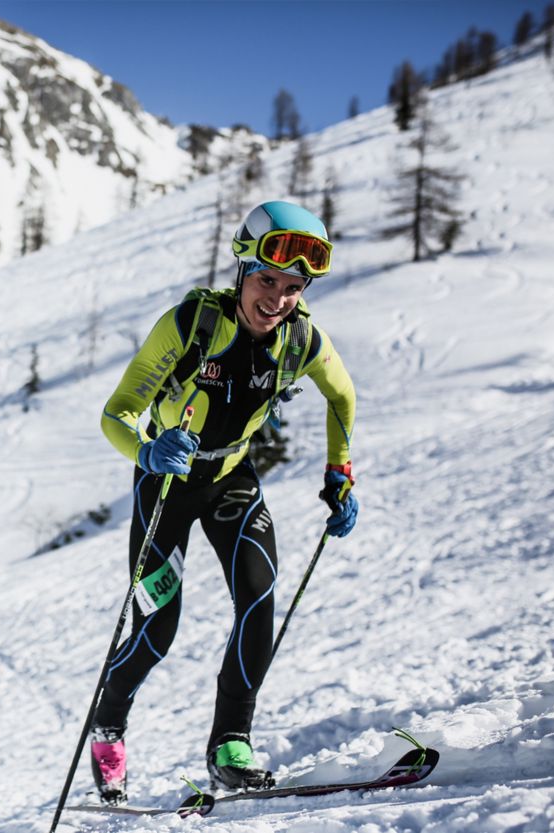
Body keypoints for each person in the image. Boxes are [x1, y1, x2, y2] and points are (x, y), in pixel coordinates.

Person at [93, 200, 358, 803]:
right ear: (242, 269)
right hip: (166, 483)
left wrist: (339, 473)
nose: (278, 299)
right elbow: (118, 411)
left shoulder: (301, 339)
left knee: (258, 597)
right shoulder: (190, 326)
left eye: (293, 287)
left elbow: (342, 397)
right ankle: (108, 727)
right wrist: (145, 451)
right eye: (268, 281)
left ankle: (229, 746)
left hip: (234, 479)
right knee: (158, 629)